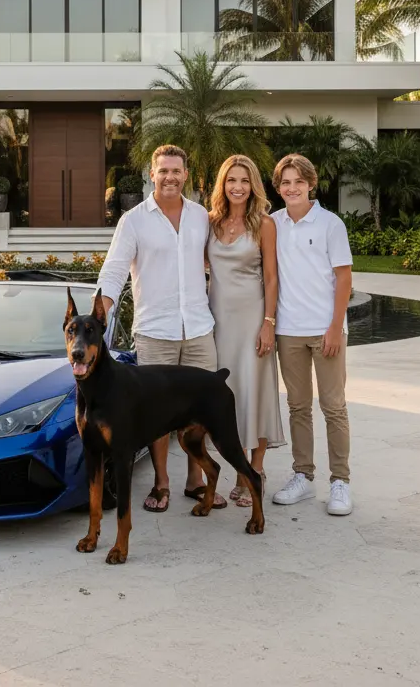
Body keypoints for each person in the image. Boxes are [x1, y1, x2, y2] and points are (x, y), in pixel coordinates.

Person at [96, 144, 225, 513]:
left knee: (202, 410)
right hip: (155, 331)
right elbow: (115, 270)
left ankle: (195, 481)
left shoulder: (202, 217)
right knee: (156, 416)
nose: (170, 177)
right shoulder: (133, 220)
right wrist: (97, 319)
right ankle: (162, 483)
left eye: (176, 171)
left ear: (186, 175)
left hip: (199, 329)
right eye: (163, 171)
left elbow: (221, 263)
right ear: (151, 174)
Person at [269, 153, 354, 516]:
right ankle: (303, 475)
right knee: (297, 406)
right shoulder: (271, 224)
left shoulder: (330, 224)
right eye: (285, 182)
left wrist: (335, 327)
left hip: (325, 331)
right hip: (288, 331)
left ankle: (341, 482)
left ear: (310, 184)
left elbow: (344, 278)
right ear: (278, 187)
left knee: (333, 407)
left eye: (298, 182)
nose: (292, 188)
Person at [206, 154, 284, 506]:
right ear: (222, 185)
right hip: (218, 321)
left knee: (255, 391)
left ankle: (256, 469)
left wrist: (269, 323)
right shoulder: (210, 222)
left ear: (254, 185)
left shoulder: (264, 224)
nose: (238, 187)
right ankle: (238, 469)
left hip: (253, 318)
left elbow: (271, 277)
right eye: (231, 180)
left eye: (244, 181)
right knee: (227, 395)